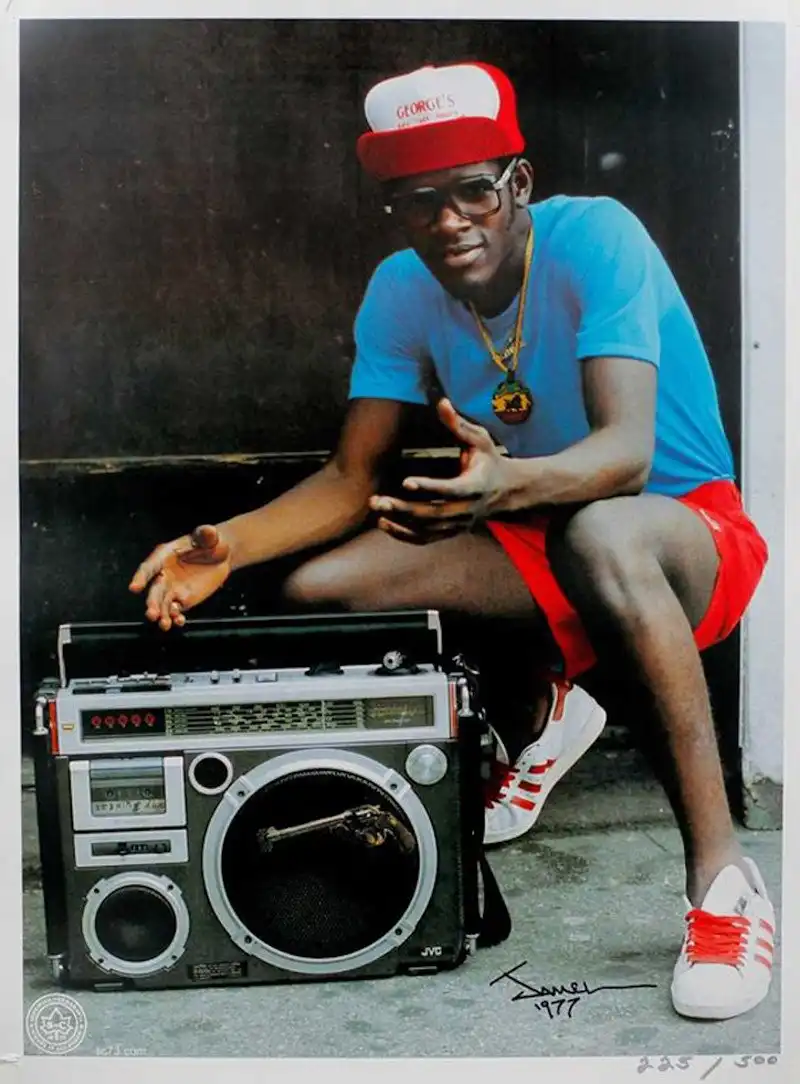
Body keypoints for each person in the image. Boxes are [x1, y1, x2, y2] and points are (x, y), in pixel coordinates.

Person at [129, 60, 775, 1021]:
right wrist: (229, 545)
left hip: (682, 535)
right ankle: (542, 712)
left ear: (519, 182)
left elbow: (627, 455)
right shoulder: (400, 289)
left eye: (473, 190)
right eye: (418, 201)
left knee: (600, 535)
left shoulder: (597, 237)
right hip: (539, 528)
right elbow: (351, 478)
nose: (450, 221)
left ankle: (724, 885)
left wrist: (503, 487)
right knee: (328, 587)